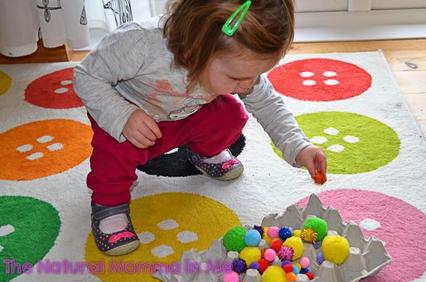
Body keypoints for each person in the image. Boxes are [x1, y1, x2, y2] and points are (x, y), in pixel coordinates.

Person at [73, 0, 327, 256]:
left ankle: (202, 153)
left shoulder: (235, 62)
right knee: (115, 151)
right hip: (132, 121)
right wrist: (123, 116)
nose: (248, 84)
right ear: (195, 50)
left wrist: (298, 146)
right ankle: (110, 203)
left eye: (257, 73)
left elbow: (267, 103)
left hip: (184, 114)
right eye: (236, 77)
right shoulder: (138, 43)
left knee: (230, 115)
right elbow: (86, 75)